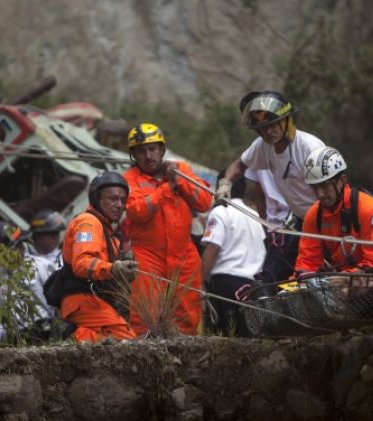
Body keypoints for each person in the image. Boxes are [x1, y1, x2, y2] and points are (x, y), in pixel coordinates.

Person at [216, 91, 325, 280]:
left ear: (287, 121)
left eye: (274, 124)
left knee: (320, 276)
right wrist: (225, 184)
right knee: (273, 277)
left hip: (327, 222)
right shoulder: (262, 147)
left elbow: (335, 191)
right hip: (300, 223)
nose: (269, 131)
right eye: (263, 127)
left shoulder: (309, 148)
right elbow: (238, 166)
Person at [123, 123, 213, 336]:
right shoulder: (129, 179)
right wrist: (167, 187)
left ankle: (186, 359)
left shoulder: (181, 170)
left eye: (152, 149)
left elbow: (204, 202)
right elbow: (138, 212)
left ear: (162, 150)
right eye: (141, 151)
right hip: (147, 256)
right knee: (146, 315)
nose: (148, 155)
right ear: (134, 155)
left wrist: (179, 179)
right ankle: (144, 359)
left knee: (187, 316)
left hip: (184, 255)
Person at [60, 171, 137, 342]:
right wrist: (115, 268)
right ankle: (76, 337)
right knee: (127, 341)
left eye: (122, 200)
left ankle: (82, 336)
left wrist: (123, 272)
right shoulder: (88, 223)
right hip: (82, 300)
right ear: (97, 199)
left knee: (115, 342)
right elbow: (81, 264)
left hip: (93, 301)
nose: (119, 205)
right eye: (112, 199)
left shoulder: (107, 231)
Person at [294, 147, 373, 274]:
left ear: (342, 180)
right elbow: (308, 261)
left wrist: (342, 279)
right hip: (339, 282)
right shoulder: (314, 215)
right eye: (314, 188)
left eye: (325, 186)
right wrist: (299, 279)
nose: (320, 194)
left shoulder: (370, 211)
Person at [201, 173, 266, 336]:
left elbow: (213, 247)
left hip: (224, 285)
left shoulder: (221, 211)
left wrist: (200, 281)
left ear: (220, 187)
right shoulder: (257, 218)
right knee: (244, 339)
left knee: (218, 338)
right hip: (252, 288)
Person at [0, 221, 56, 343]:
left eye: (20, 246)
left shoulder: (42, 266)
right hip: (16, 340)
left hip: (45, 332)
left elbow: (59, 302)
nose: (21, 249)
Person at [244, 168, 293, 283]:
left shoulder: (303, 151)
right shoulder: (258, 154)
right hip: (274, 233)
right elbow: (259, 195)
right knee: (270, 283)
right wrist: (266, 227)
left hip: (295, 228)